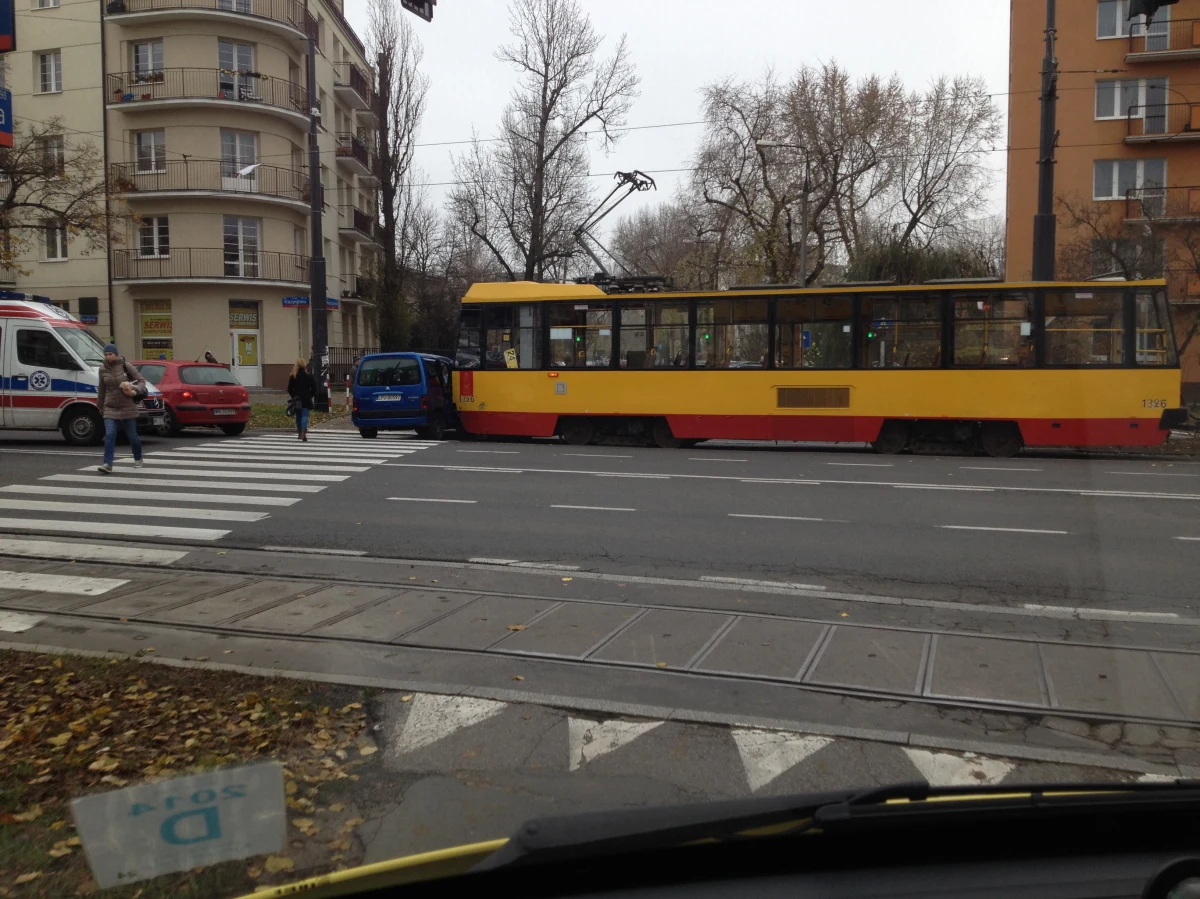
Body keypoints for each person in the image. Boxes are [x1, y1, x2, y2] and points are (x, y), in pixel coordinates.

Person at [96, 344, 146, 474]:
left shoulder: (125, 365)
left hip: (127, 406)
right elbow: (102, 389)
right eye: (106, 354)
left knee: (132, 435)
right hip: (110, 406)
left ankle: (138, 457)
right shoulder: (102, 370)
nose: (108, 357)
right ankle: (107, 463)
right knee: (110, 435)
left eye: (110, 354)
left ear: (116, 354)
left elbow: (141, 381)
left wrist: (134, 391)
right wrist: (100, 406)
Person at [287, 357, 316, 442]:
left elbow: (289, 389)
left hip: (297, 400)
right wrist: (310, 395)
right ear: (304, 365)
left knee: (298, 416)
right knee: (305, 416)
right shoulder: (309, 376)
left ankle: (300, 433)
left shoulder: (293, 376)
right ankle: (304, 430)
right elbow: (314, 388)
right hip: (306, 399)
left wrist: (293, 396)